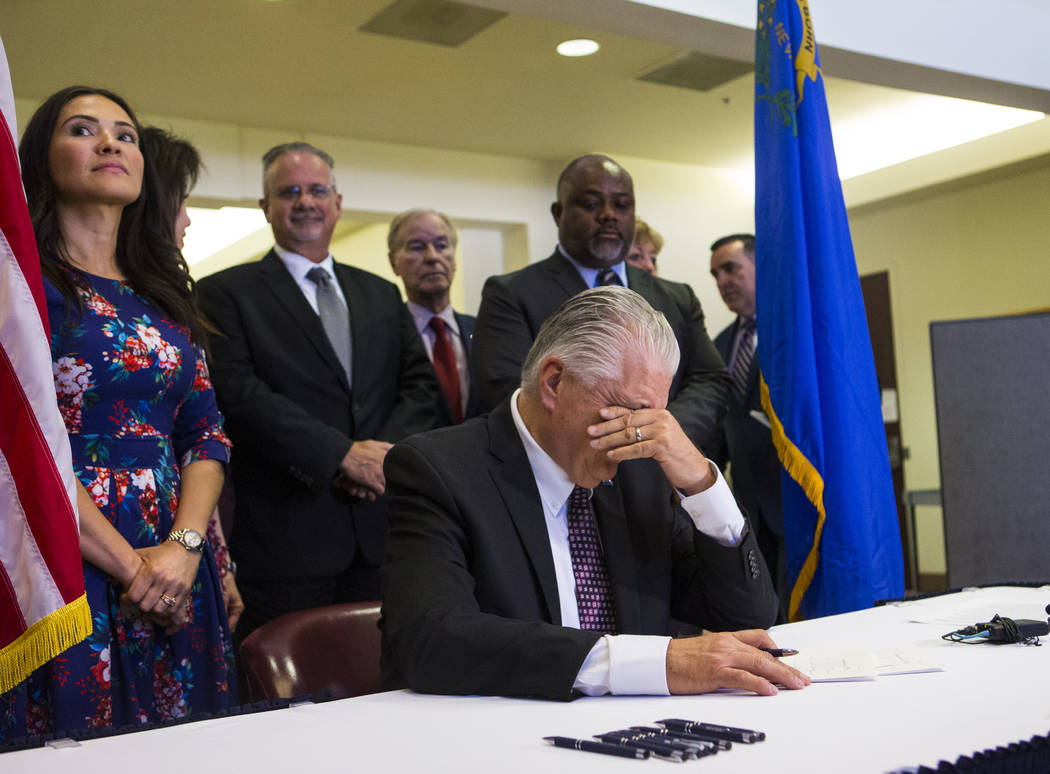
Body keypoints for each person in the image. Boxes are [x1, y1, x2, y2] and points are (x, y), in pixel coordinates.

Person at [382, 286, 807, 700]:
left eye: (655, 414)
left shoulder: (637, 469)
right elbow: (430, 640)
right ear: (554, 382)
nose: (643, 431)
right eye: (631, 409)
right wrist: (655, 662)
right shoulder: (437, 470)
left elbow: (747, 616)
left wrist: (701, 482)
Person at [2, 86, 235, 736]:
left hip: (178, 564)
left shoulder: (165, 293)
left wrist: (184, 551)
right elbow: (20, 448)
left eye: (125, 134)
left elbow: (206, 438)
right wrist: (134, 567)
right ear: (42, 158)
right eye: (83, 130)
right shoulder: (19, 293)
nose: (110, 143)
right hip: (73, 559)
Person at [197, 143, 442, 643]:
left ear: (338, 202)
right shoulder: (223, 293)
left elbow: (419, 386)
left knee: (389, 684)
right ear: (266, 207)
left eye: (316, 190)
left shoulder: (380, 292)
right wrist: (341, 456)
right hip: (287, 541)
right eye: (288, 192)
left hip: (383, 532)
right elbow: (238, 394)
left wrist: (381, 459)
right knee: (291, 698)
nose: (304, 201)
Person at [471, 154, 729, 454]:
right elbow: (510, 392)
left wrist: (661, 435)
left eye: (622, 205)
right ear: (558, 213)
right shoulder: (511, 293)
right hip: (564, 475)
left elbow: (709, 379)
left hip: (663, 475)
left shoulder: (678, 297)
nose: (609, 214)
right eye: (591, 204)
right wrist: (617, 436)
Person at [139, 125, 244, 632]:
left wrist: (209, 556)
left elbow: (200, 438)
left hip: (186, 546)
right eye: (180, 202)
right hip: (99, 546)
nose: (188, 219)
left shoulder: (175, 304)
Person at [708, 233, 785, 619]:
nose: (722, 282)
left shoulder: (793, 332)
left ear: (760, 266)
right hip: (747, 503)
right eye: (715, 275)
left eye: (731, 269)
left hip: (796, 497)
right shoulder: (719, 345)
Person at [387, 208, 478, 424]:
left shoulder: (482, 331)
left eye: (442, 245)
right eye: (417, 247)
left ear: (454, 258)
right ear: (393, 262)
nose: (432, 257)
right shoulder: (384, 336)